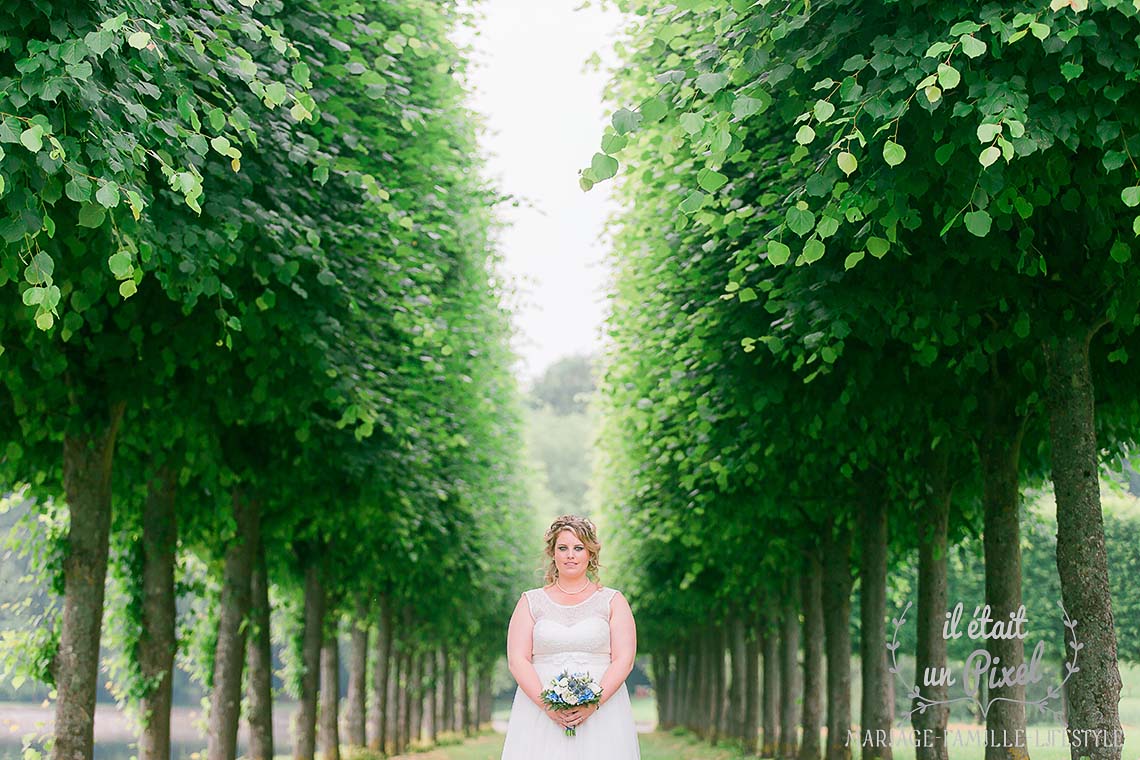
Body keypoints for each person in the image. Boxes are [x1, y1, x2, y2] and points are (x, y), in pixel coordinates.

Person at [500, 514, 641, 760]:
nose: (570, 555)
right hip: (539, 710)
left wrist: (592, 703)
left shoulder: (613, 601)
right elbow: (517, 659)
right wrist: (548, 705)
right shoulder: (529, 602)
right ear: (552, 553)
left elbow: (624, 659)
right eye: (562, 548)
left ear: (590, 553)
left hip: (603, 711)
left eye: (578, 548)